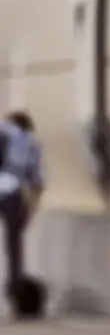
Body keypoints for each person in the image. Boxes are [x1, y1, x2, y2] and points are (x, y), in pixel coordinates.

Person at [0, 111, 45, 308]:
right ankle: (15, 290)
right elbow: (36, 180)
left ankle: (16, 288)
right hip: (13, 194)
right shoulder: (31, 143)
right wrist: (31, 209)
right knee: (14, 245)